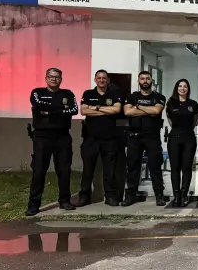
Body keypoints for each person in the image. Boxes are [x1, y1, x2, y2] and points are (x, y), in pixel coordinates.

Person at [25, 67, 79, 216]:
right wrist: (62, 109)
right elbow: (38, 105)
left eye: (57, 77)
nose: (54, 79)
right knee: (39, 171)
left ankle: (65, 201)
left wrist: (51, 111)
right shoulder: (37, 93)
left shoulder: (68, 94)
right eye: (51, 76)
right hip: (42, 137)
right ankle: (33, 204)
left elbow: (74, 110)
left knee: (64, 170)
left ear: (61, 79)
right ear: (46, 78)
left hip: (62, 137)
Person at [78, 69, 123, 207]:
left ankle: (110, 197)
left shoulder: (114, 94)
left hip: (109, 139)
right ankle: (84, 197)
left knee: (110, 170)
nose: (102, 80)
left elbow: (116, 110)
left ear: (107, 80)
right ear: (95, 79)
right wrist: (104, 110)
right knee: (88, 169)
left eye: (104, 78)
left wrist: (96, 108)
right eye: (99, 78)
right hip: (91, 138)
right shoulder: (88, 94)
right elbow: (84, 111)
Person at [123, 71, 167, 207]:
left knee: (155, 166)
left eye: (147, 78)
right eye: (142, 78)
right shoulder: (131, 97)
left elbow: (156, 111)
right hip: (134, 137)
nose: (145, 80)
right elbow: (127, 112)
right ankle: (131, 195)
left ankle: (159, 195)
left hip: (152, 137)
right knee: (132, 167)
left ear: (151, 80)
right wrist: (148, 110)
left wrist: (138, 107)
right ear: (139, 81)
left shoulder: (159, 97)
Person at [165, 79, 198, 208]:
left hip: (189, 138)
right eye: (180, 86)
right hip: (174, 138)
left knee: (186, 167)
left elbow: (194, 122)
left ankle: (185, 194)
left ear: (188, 89)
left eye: (185, 86)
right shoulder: (171, 103)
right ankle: (177, 196)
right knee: (175, 168)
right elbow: (170, 120)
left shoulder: (193, 104)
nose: (182, 88)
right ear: (177, 88)